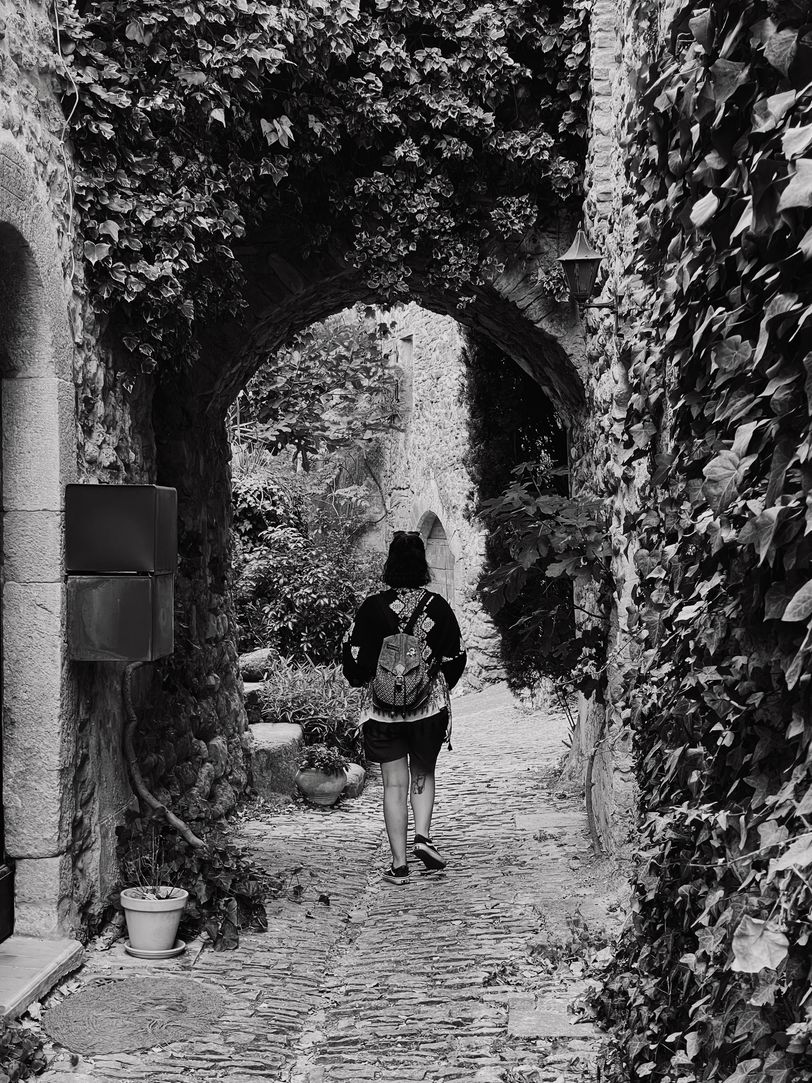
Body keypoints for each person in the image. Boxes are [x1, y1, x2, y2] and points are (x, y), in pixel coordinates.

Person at [342, 530, 467, 885]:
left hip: (382, 714)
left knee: (393, 784)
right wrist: (432, 684)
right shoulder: (438, 607)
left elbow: (353, 659)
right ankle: (423, 838)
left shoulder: (371, 608)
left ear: (390, 565)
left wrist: (374, 681)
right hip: (428, 711)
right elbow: (456, 655)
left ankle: (398, 864)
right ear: (422, 566)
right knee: (423, 773)